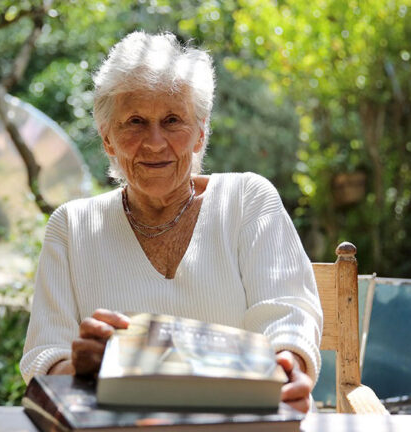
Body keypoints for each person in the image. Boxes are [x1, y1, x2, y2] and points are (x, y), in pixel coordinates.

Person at [20, 31, 322, 413]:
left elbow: (286, 313)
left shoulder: (247, 200)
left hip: (235, 420)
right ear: (107, 139)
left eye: (173, 120)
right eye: (135, 122)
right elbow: (44, 358)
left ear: (200, 133)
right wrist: (79, 367)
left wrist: (288, 365)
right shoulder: (71, 227)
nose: (155, 142)